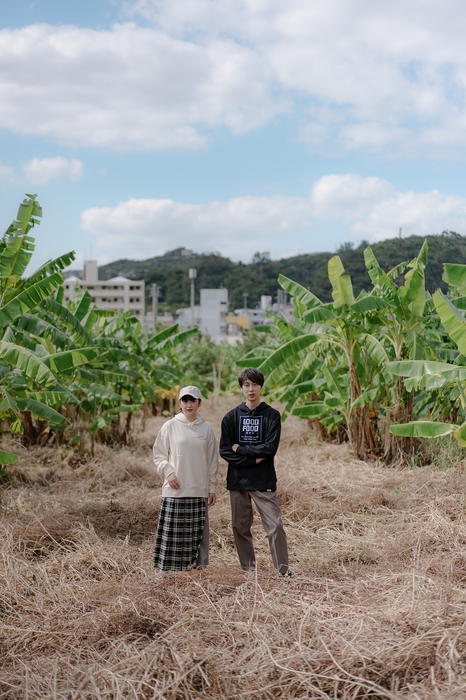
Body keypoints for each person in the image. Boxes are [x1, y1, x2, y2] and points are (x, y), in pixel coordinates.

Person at [220, 368, 290, 576]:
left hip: (263, 480)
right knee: (240, 528)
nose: (251, 389)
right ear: (242, 388)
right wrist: (255, 458)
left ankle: (283, 571)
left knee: (275, 526)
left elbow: (270, 449)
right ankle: (249, 570)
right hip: (238, 481)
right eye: (247, 385)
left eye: (255, 384)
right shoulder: (231, 417)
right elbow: (225, 450)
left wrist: (241, 449)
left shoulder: (272, 416)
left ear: (261, 386)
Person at [153, 385, 218, 579]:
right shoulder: (170, 425)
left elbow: (212, 460)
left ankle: (193, 572)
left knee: (194, 534)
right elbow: (158, 453)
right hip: (175, 487)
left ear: (199, 403)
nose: (189, 404)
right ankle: (165, 571)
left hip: (198, 488)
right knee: (172, 532)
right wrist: (168, 472)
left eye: (193, 400)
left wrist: (212, 487)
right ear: (180, 403)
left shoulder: (206, 429)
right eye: (185, 400)